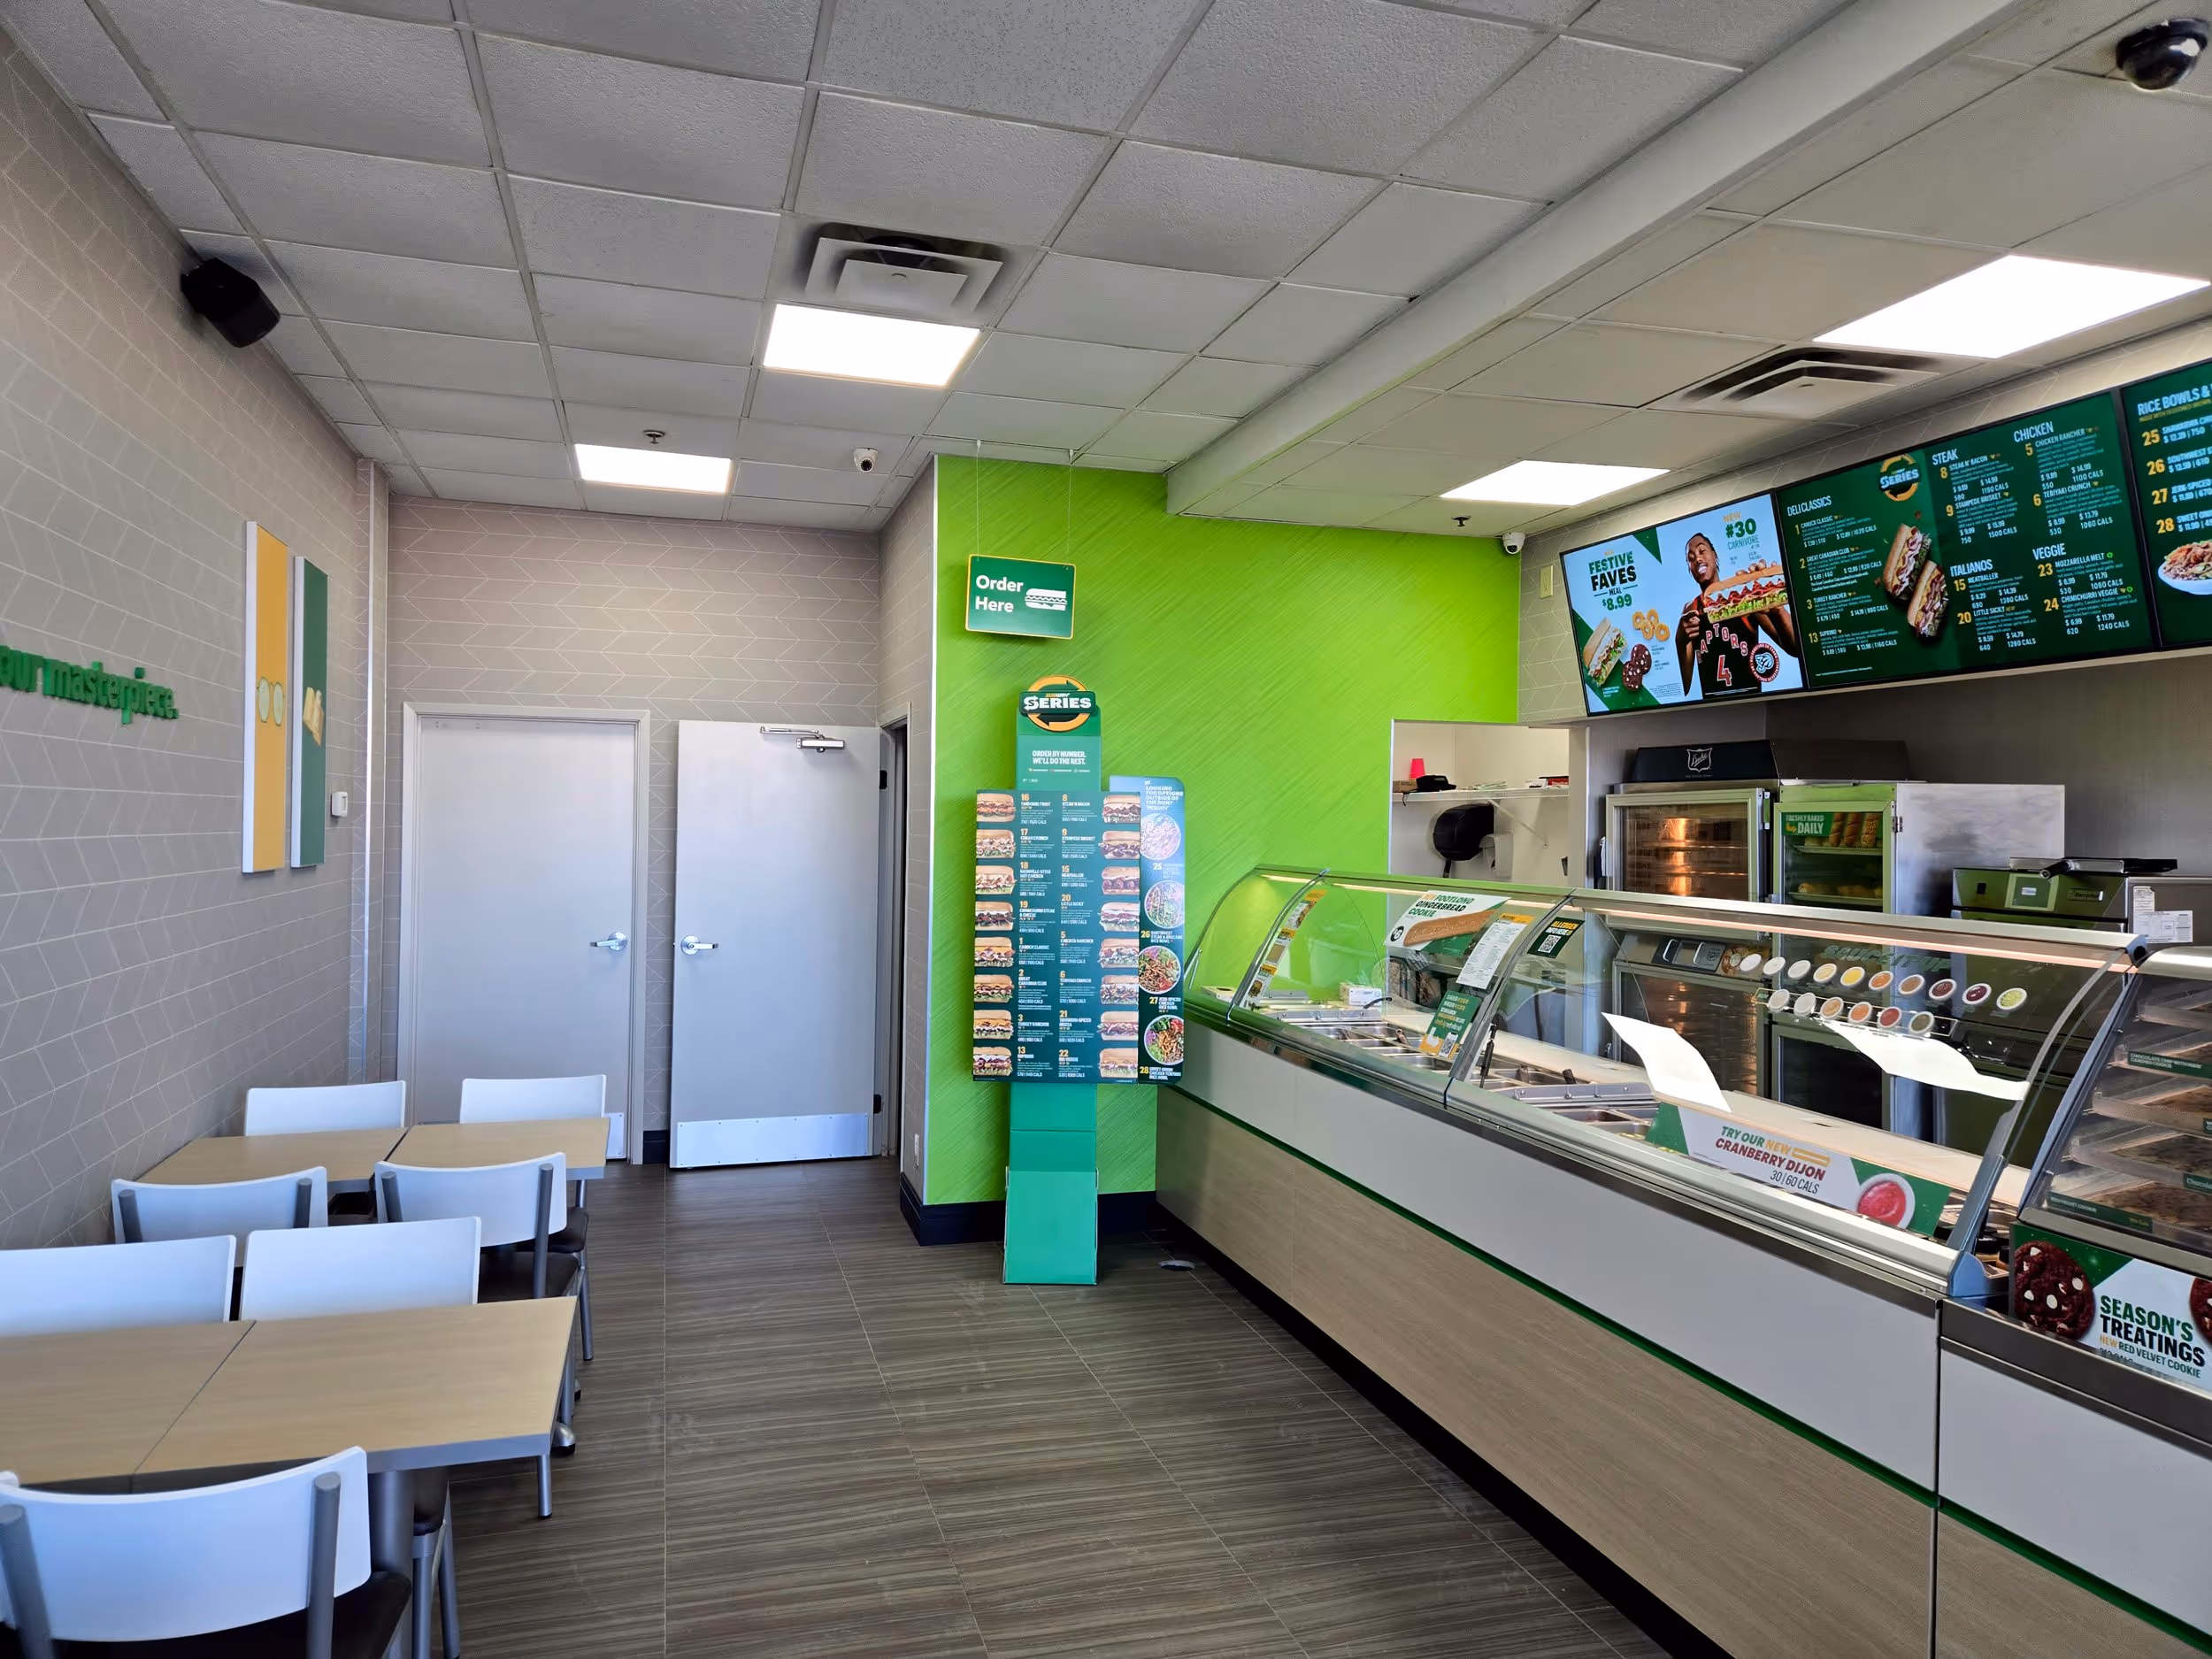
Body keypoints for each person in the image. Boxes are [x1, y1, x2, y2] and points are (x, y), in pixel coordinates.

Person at [1674, 531, 1799, 697]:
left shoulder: (1742, 595)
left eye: (1702, 551)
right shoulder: (1691, 609)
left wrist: (1775, 607)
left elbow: (1795, 647)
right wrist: (1680, 640)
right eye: (1690, 558)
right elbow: (1686, 687)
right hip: (1711, 708)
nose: (1697, 558)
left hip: (1752, 703)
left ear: (1715, 556)